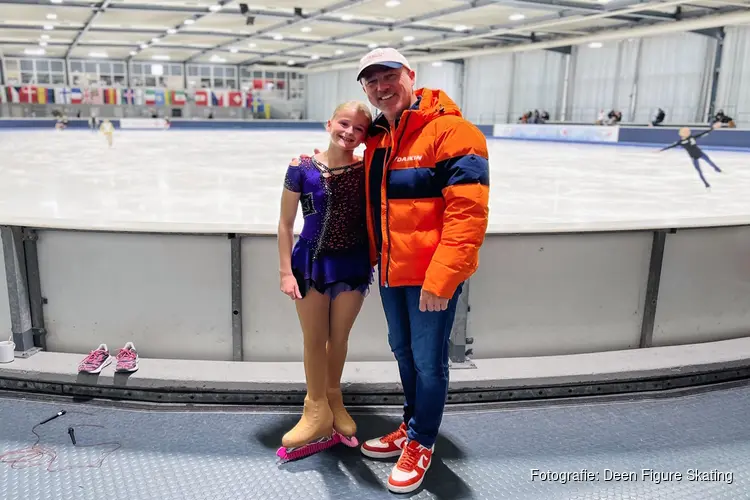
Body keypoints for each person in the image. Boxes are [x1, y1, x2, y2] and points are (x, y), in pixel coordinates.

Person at [354, 47, 490, 493]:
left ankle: (422, 442)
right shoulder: (379, 137)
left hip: (430, 277)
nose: (381, 86)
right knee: (403, 351)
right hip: (392, 270)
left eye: (388, 75)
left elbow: (467, 215)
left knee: (429, 363)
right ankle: (410, 425)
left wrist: (442, 278)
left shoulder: (453, 132)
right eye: (371, 81)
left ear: (410, 75)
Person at [276, 101, 374, 461]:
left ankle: (334, 397)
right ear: (329, 123)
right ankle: (314, 407)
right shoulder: (301, 167)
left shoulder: (367, 170)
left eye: (358, 129)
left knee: (339, 338)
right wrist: (286, 271)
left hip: (352, 263)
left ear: (365, 137)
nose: (349, 132)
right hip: (310, 263)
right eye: (344, 124)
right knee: (314, 339)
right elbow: (286, 224)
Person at [659, 122, 722, 188]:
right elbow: (671, 146)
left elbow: (704, 133)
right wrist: (661, 150)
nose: (688, 133)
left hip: (700, 153)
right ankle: (706, 183)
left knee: (710, 162)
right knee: (699, 171)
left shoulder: (692, 137)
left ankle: (717, 169)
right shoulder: (680, 142)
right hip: (694, 157)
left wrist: (712, 128)